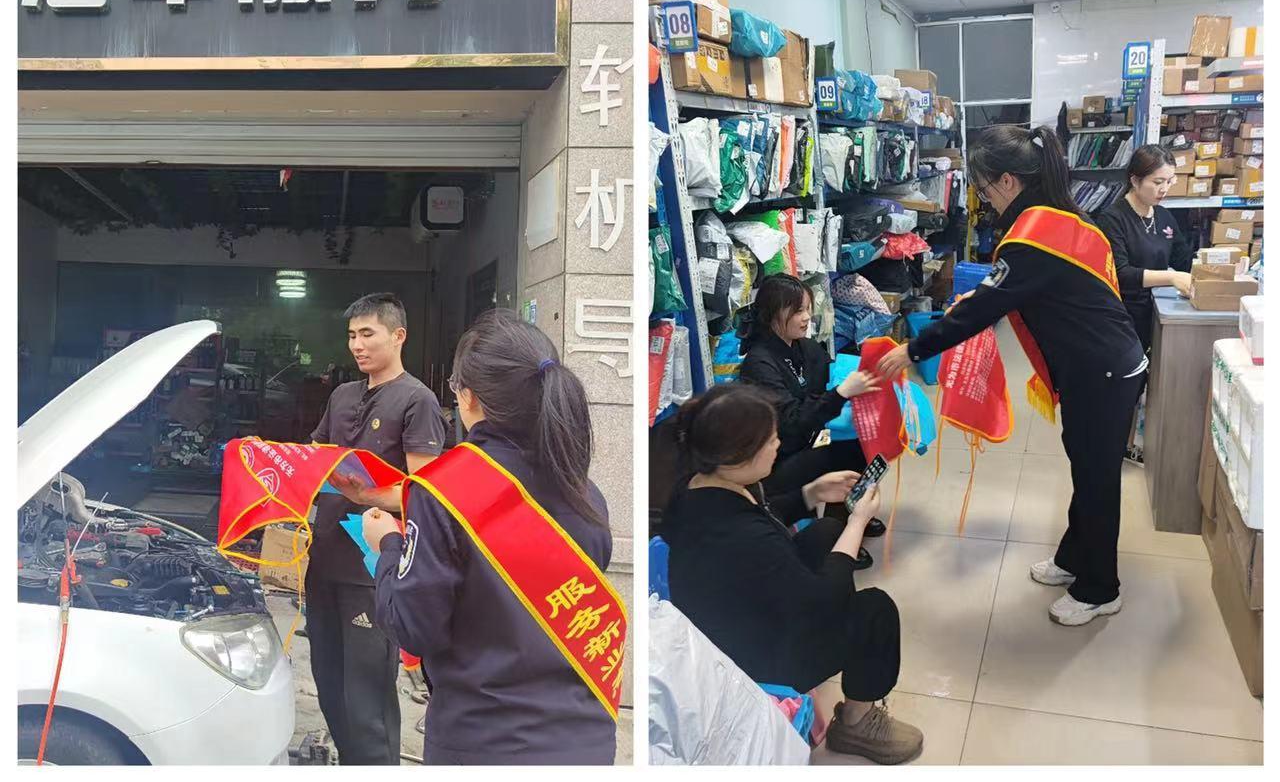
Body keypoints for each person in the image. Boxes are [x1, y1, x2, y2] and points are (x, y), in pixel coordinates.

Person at [878, 125, 1147, 628]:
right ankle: (1074, 558)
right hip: (1103, 363)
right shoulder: (1063, 217)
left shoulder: (1032, 237)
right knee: (1086, 468)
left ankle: (1100, 588)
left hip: (1102, 371)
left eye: (983, 188)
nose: (983, 199)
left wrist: (913, 348)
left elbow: (985, 308)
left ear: (1007, 181)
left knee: (1096, 479)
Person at [361, 312, 618, 766]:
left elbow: (415, 628)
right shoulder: (584, 490)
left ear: (469, 397)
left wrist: (388, 547)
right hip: (586, 738)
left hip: (484, 740)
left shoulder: (444, 489)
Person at [661, 384, 923, 763]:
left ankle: (845, 644)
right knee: (875, 611)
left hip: (731, 616)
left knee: (824, 532)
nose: (778, 444)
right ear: (739, 455)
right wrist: (857, 521)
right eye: (771, 440)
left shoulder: (699, 485)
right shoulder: (741, 535)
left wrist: (811, 494)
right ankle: (856, 723)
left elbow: (762, 519)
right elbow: (819, 600)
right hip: (749, 659)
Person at [307, 294, 447, 766]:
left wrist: (367, 497)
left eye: (368, 334)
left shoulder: (417, 400)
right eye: (352, 335)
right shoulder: (342, 396)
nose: (357, 345)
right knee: (329, 684)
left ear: (398, 336)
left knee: (366, 698)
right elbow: (317, 457)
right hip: (325, 558)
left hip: (374, 568)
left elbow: (424, 492)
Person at [737, 274, 885, 561]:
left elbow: (829, 380)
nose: (807, 317)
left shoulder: (806, 347)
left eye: (807, 308)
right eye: (797, 311)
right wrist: (841, 393)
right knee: (845, 454)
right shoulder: (759, 363)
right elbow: (791, 421)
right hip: (778, 458)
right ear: (772, 314)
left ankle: (850, 511)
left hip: (810, 437)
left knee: (862, 442)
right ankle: (836, 538)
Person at [1098, 144, 1193, 462]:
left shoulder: (1164, 216)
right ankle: (1111, 447)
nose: (1164, 189)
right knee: (1122, 385)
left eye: (1170, 181)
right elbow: (1121, 273)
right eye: (1157, 182)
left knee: (1143, 385)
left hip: (1157, 313)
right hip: (1123, 316)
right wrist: (1171, 278)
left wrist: (1214, 266)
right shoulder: (1113, 219)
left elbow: (1183, 257)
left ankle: (1128, 445)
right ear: (1135, 180)